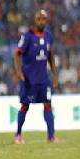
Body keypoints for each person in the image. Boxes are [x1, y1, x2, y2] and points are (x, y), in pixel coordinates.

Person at [13, 9, 59, 144]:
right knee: (25, 106)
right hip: (29, 79)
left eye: (43, 19)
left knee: (48, 104)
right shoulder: (27, 36)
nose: (41, 21)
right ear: (35, 20)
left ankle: (51, 137)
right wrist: (19, 72)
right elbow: (17, 53)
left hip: (43, 79)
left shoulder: (49, 37)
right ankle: (18, 135)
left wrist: (55, 75)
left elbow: (51, 56)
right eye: (39, 19)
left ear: (46, 21)